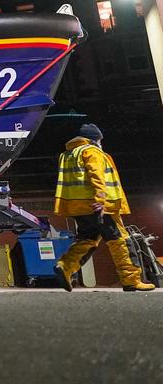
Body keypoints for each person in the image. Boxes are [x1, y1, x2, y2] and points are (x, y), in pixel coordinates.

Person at [52, 123, 155, 292]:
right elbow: (96, 175)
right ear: (96, 139)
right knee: (120, 241)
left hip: (78, 207)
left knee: (87, 239)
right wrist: (100, 199)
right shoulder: (91, 151)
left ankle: (65, 266)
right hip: (99, 206)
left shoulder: (68, 154)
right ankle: (131, 280)